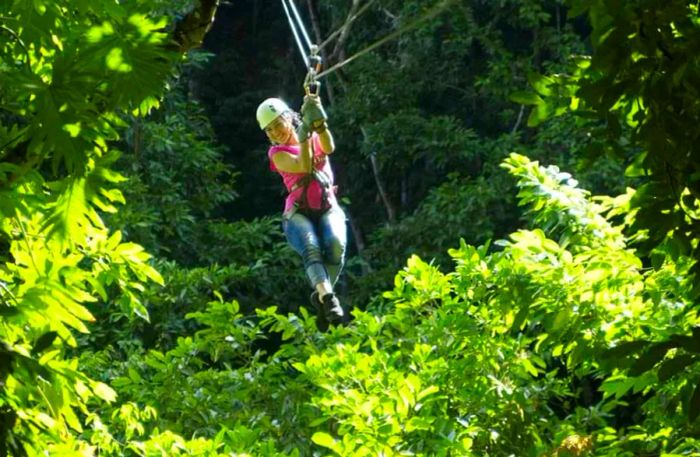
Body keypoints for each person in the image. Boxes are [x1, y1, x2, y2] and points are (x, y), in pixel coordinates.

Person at [256, 95, 346, 331]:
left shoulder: (313, 138)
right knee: (311, 247)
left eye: (278, 124)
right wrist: (305, 133)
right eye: (269, 130)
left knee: (335, 246)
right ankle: (328, 298)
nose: (275, 132)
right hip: (297, 213)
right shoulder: (277, 153)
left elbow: (329, 147)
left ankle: (320, 297)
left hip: (327, 205)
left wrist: (320, 123)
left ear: (289, 118)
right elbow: (303, 166)